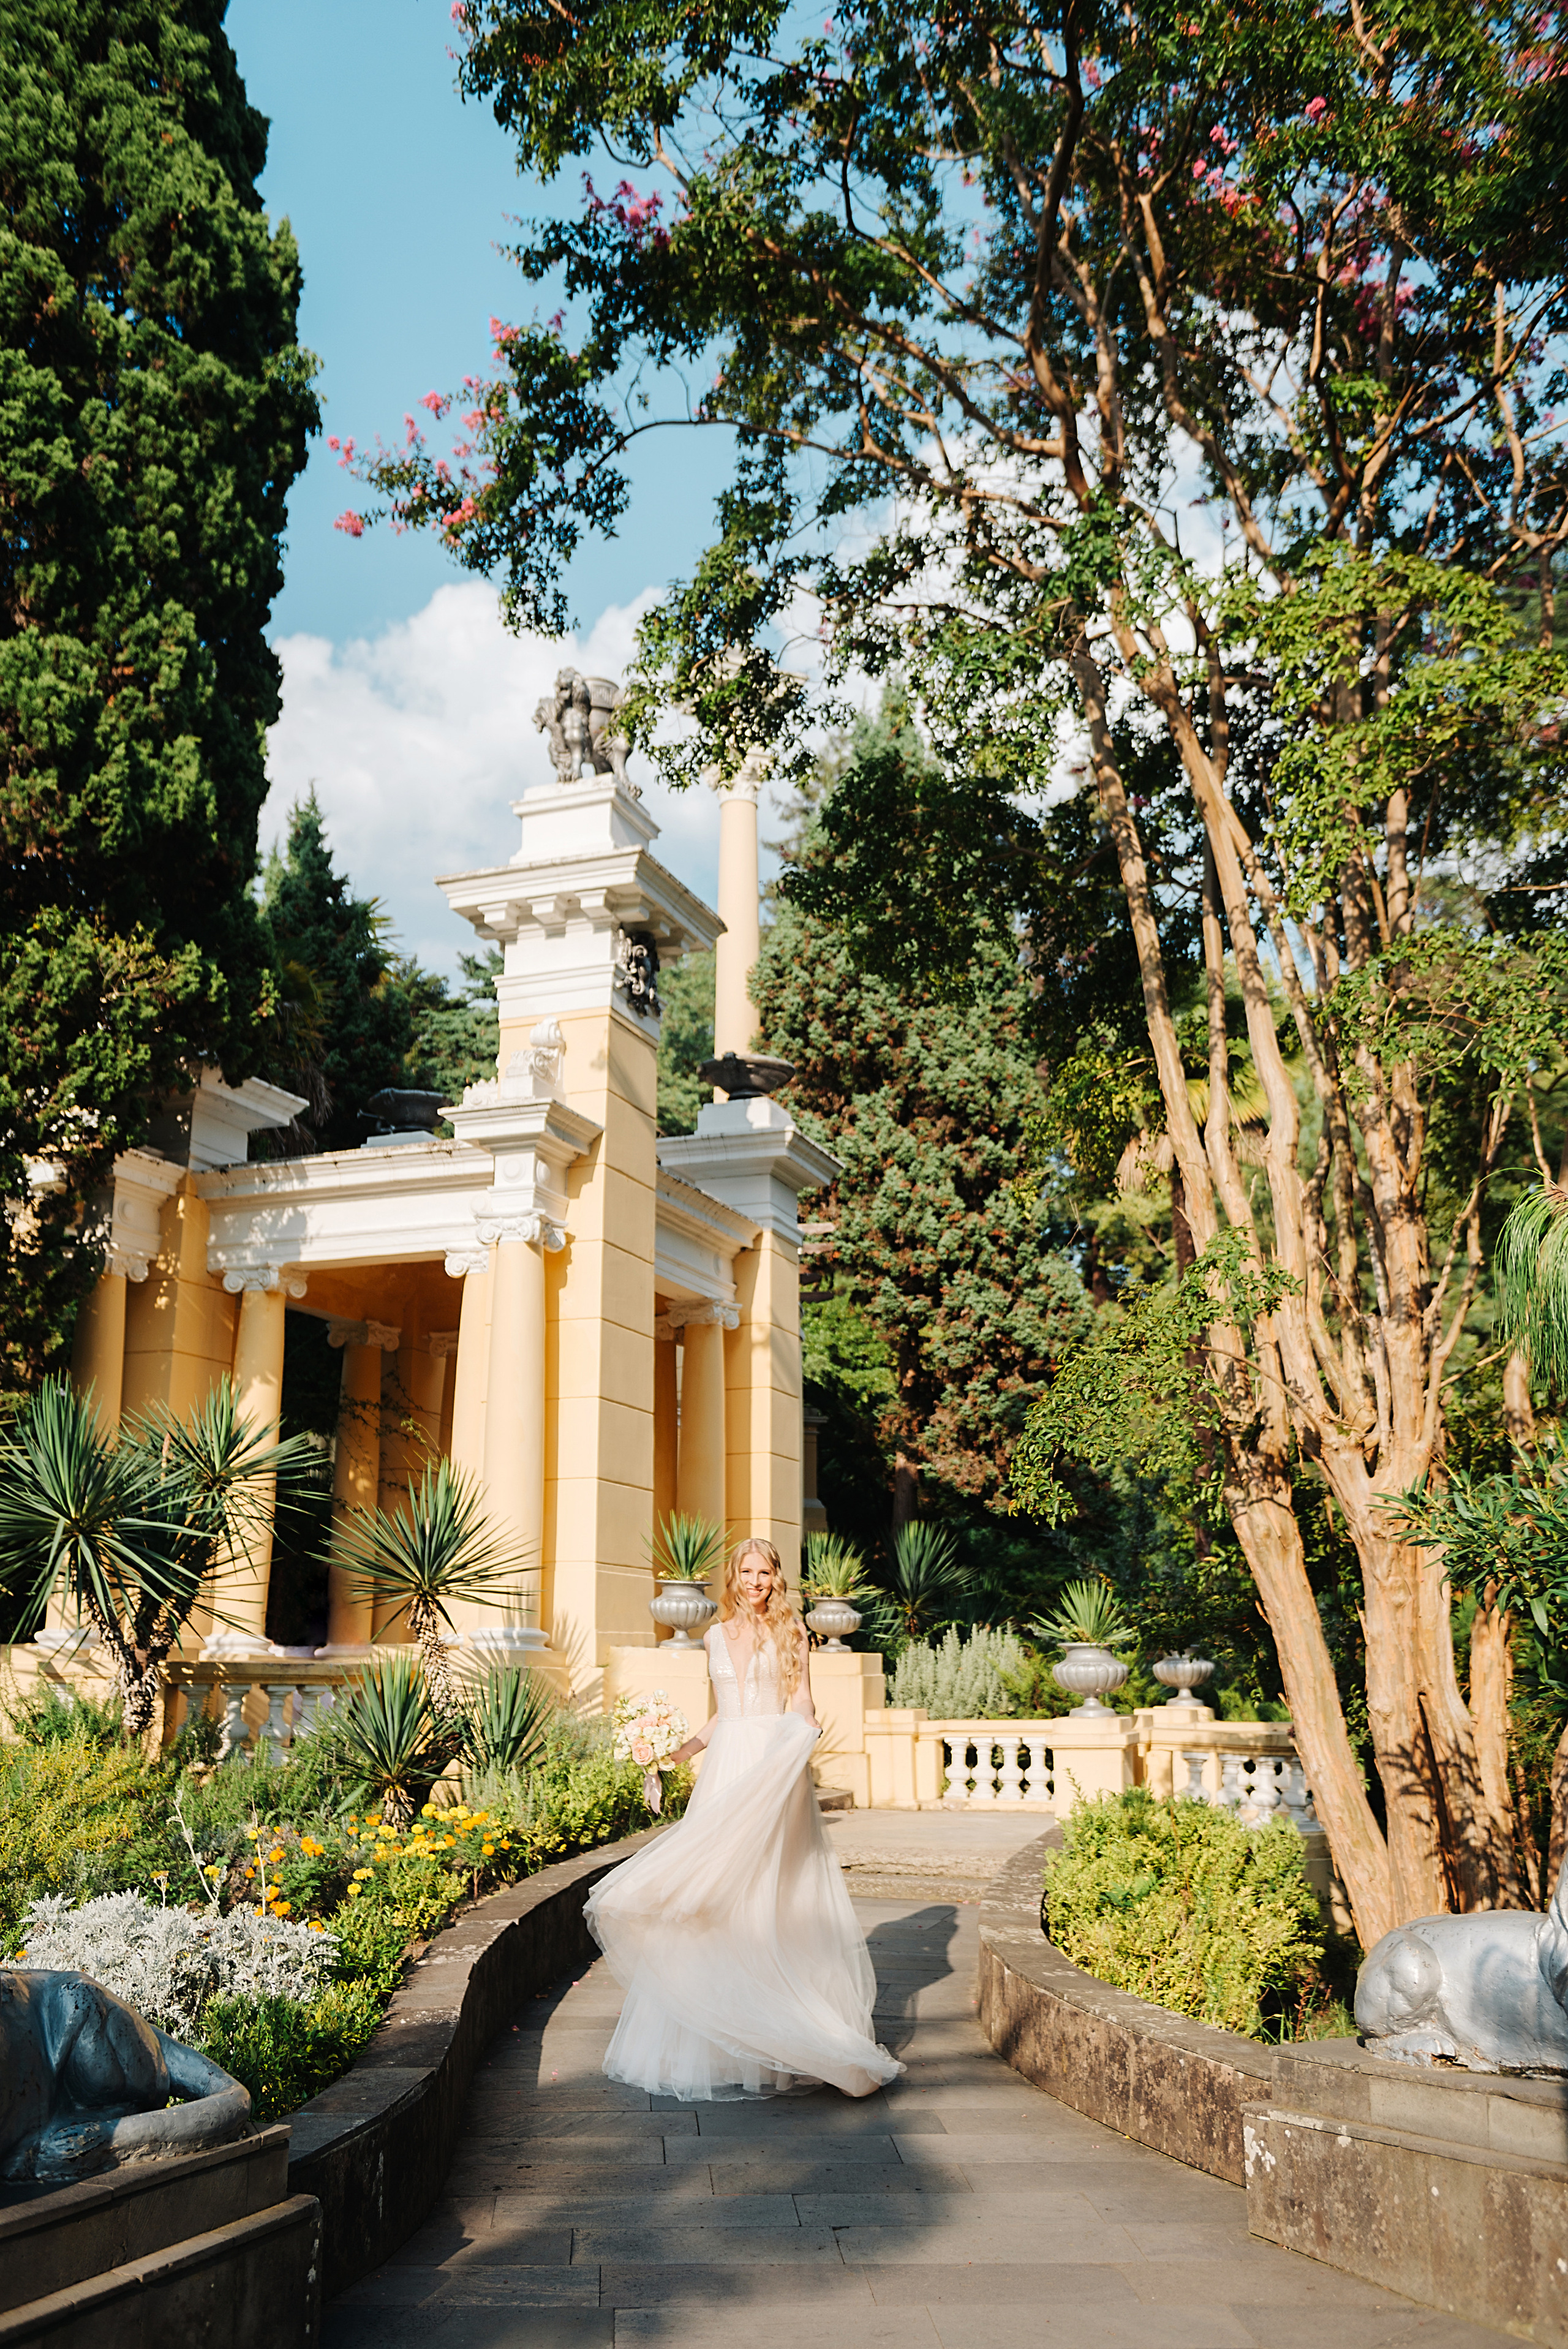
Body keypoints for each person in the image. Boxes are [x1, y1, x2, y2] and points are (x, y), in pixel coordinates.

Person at [582, 1536, 903, 2102]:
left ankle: (794, 2033)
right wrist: (674, 1753)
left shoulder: (790, 1632)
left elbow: (801, 1700)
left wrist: (804, 1737)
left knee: (769, 1893)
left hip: (771, 1764)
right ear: (733, 1577)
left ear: (776, 1577)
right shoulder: (712, 1634)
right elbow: (720, 1717)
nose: (756, 1581)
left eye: (765, 1572)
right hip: (725, 1767)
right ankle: (718, 2041)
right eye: (747, 1572)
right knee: (713, 1896)